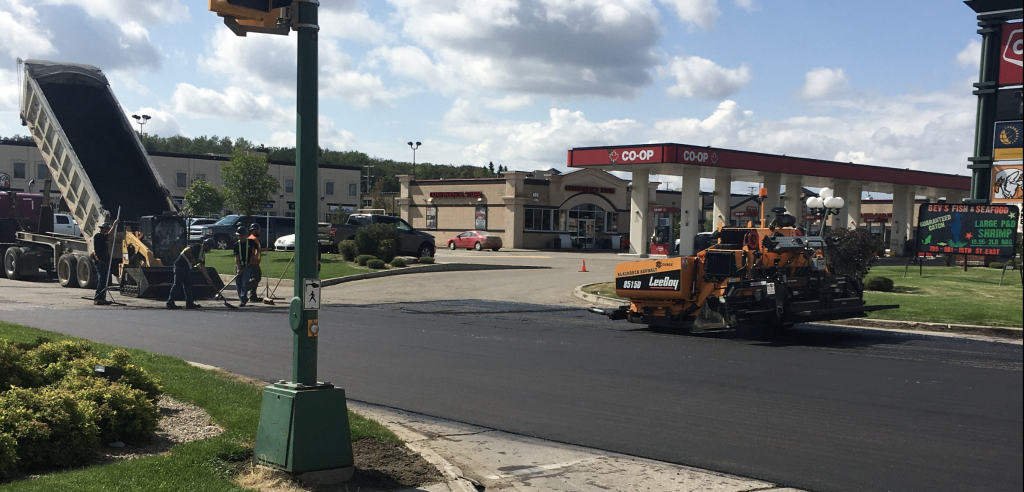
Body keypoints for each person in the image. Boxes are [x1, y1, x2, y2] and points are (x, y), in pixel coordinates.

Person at [167, 238, 214, 310]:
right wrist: (192, 257)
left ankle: (189, 303)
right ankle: (170, 302)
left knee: (188, 285)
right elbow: (187, 250)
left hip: (186, 268)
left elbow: (203, 268)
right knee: (177, 284)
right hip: (180, 266)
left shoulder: (202, 255)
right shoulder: (198, 246)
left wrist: (208, 279)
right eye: (209, 247)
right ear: (205, 245)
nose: (209, 249)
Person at [92, 218, 120, 305]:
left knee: (105, 281)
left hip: (105, 262)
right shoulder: (98, 236)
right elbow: (109, 235)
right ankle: (98, 298)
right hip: (100, 262)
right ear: (104, 229)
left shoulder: (103, 239)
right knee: (102, 280)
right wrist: (115, 224)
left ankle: (102, 298)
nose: (108, 231)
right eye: (107, 229)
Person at [233, 225, 259, 306]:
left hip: (247, 265)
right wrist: (238, 268)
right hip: (239, 265)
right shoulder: (236, 244)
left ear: (245, 235)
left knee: (245, 282)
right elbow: (236, 257)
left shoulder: (251, 242)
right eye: (239, 235)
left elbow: (257, 249)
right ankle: (241, 298)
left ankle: (243, 299)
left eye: (241, 235)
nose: (240, 237)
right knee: (238, 283)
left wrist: (255, 255)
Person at [246, 222, 271, 303]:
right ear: (253, 230)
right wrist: (265, 249)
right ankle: (245, 287)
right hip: (253, 262)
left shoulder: (252, 238)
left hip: (254, 262)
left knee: (254, 278)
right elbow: (255, 250)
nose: (259, 231)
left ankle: (253, 296)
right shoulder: (253, 239)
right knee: (257, 277)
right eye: (258, 230)